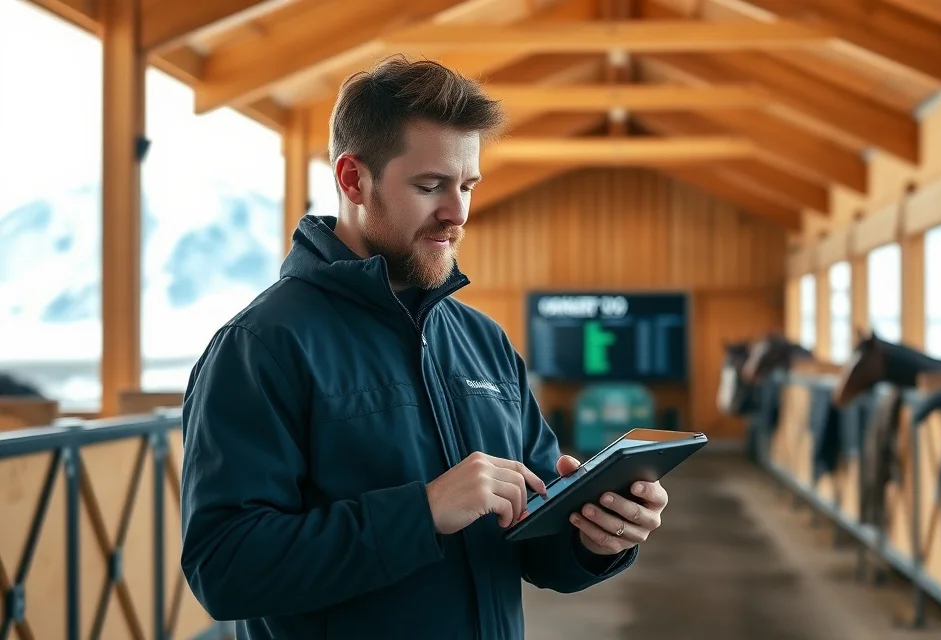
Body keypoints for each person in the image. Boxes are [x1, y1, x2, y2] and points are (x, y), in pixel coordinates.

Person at [178, 55, 670, 639]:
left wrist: (594, 536)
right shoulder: (261, 346)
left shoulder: (482, 342)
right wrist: (424, 512)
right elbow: (225, 567)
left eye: (466, 186)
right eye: (430, 185)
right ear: (352, 178)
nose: (456, 213)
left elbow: (533, 544)